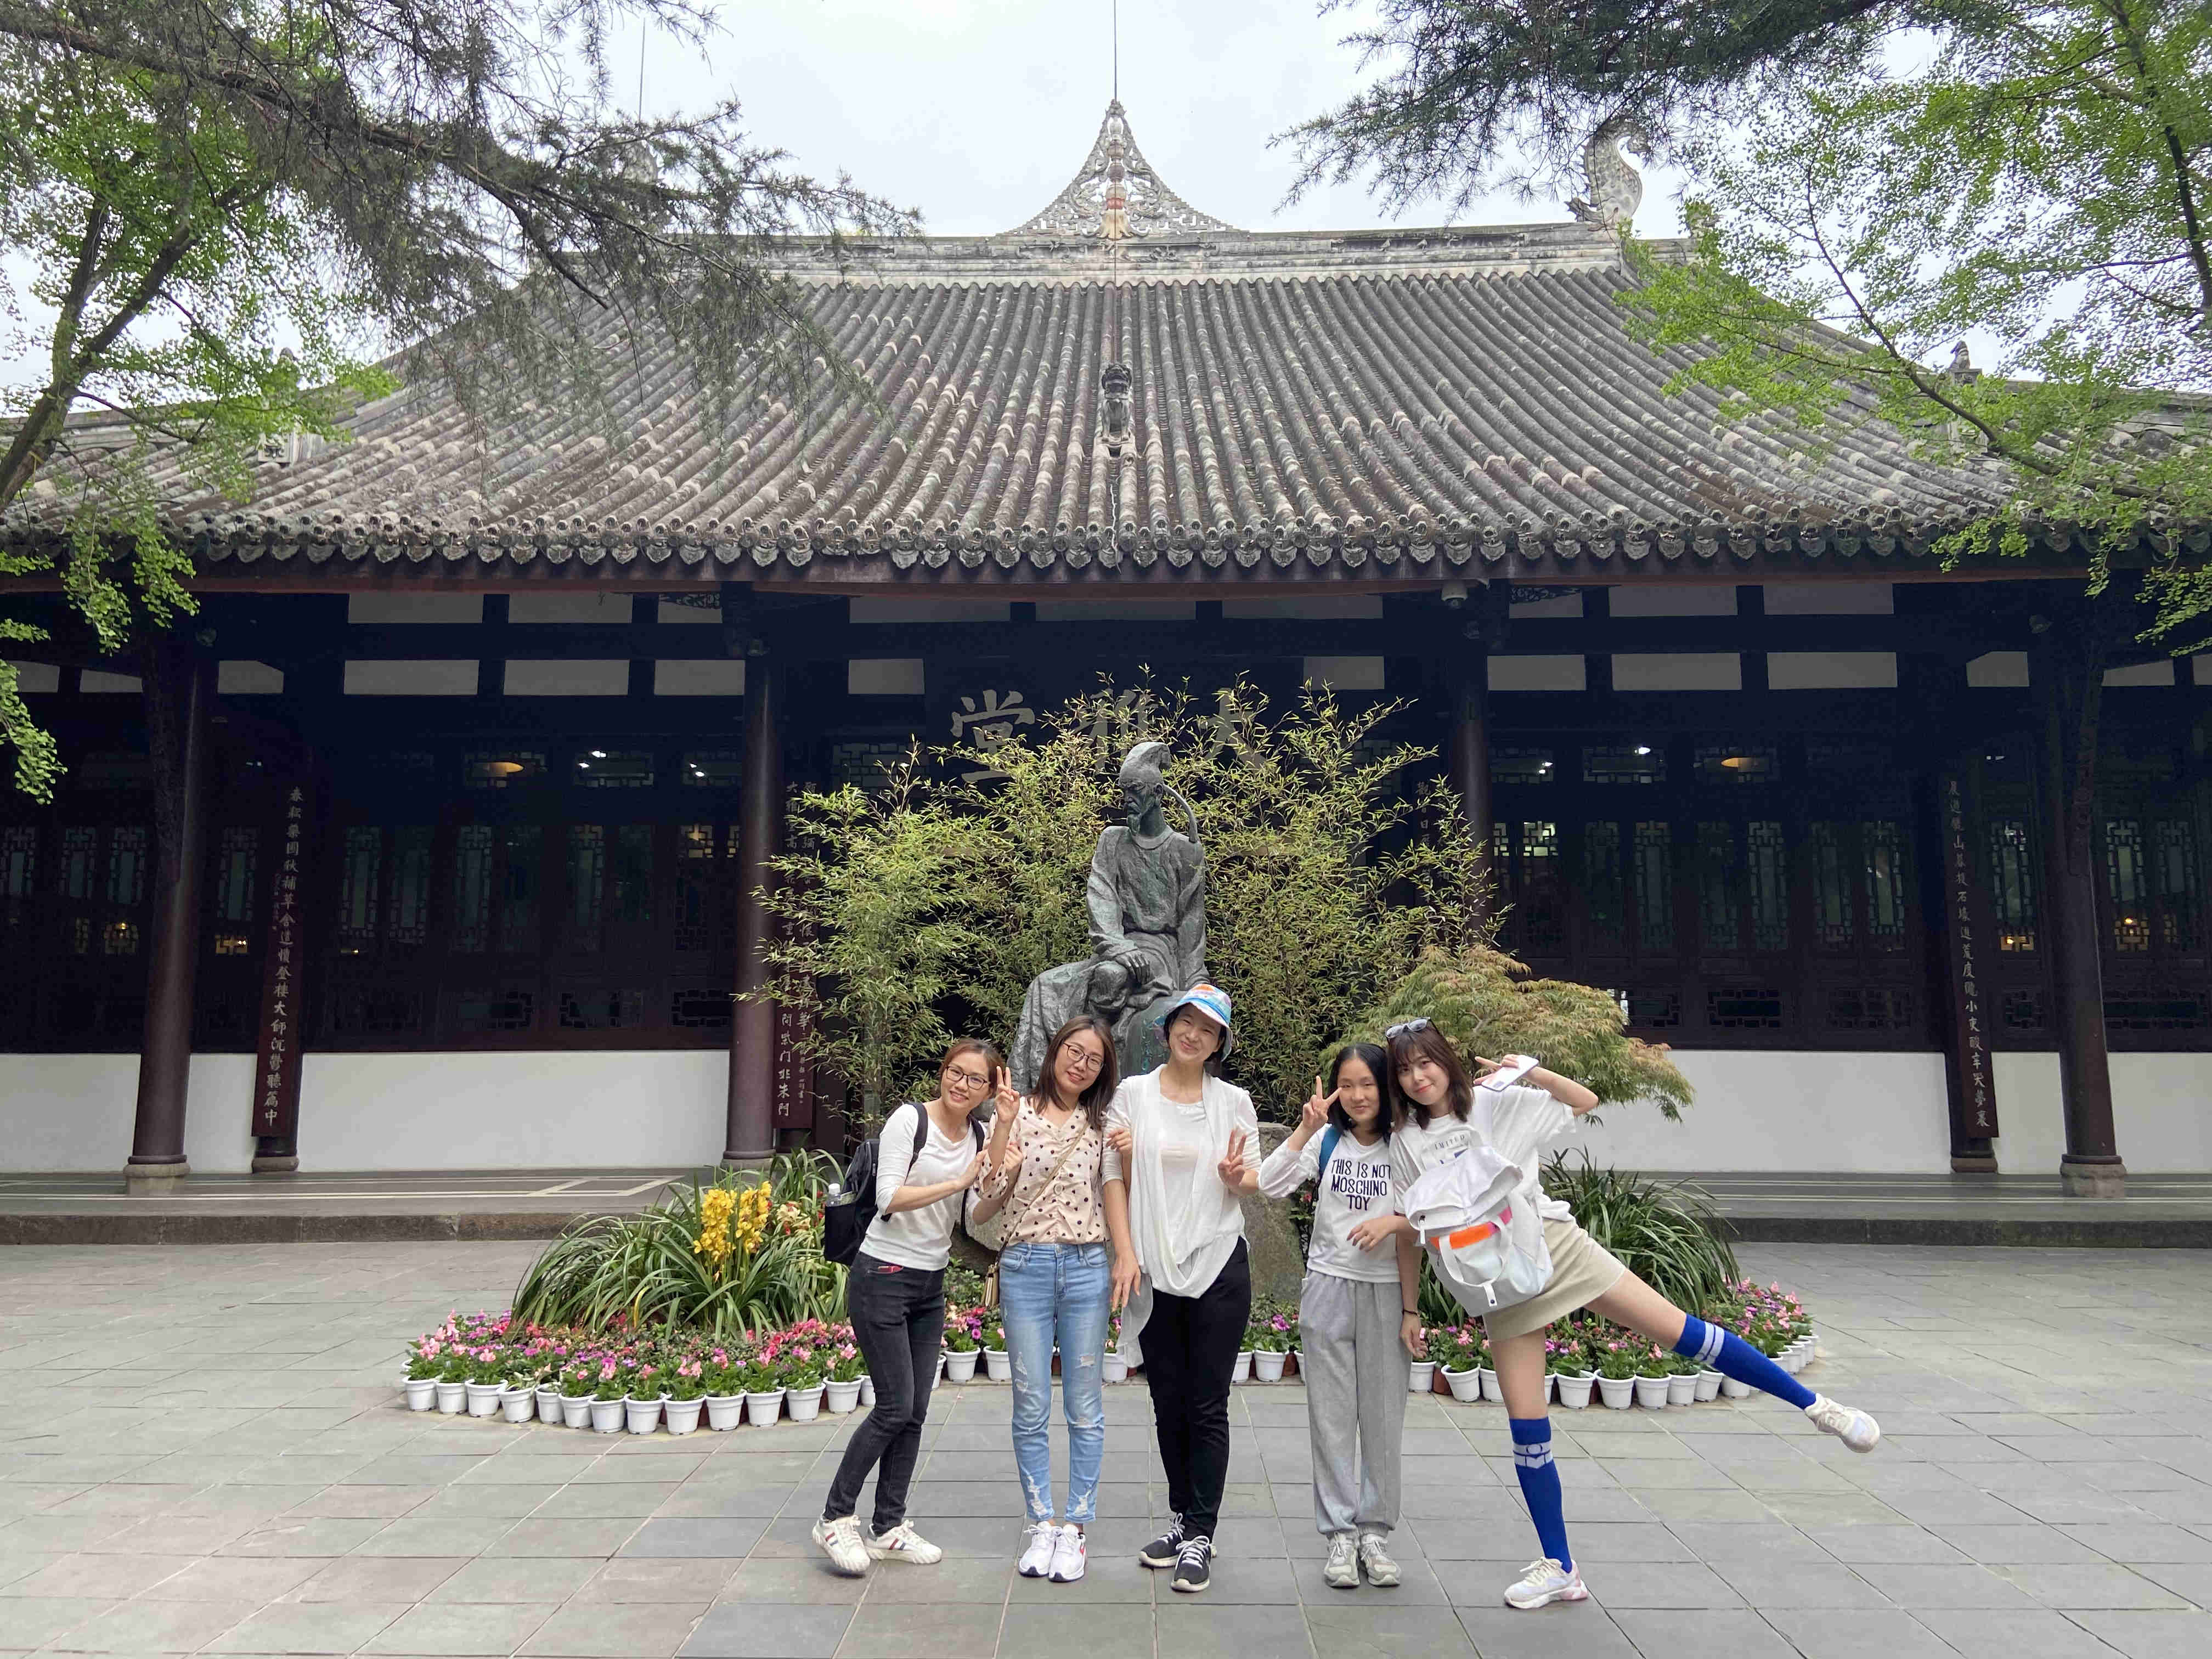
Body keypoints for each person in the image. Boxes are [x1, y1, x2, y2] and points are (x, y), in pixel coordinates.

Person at [1380, 1019, 1883, 1611]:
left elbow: (1584, 1100)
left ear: (1445, 1060)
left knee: (1681, 1332)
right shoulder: (1405, 1143)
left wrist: (1531, 1071)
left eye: (1425, 1063)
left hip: (1554, 1247)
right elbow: (1410, 1230)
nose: (1417, 1078)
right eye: (1405, 1070)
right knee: (1527, 1426)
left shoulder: (1497, 1103)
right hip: (1499, 1282)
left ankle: (1819, 1408)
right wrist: (1410, 1307)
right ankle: (1560, 1568)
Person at [812, 1040, 995, 1577]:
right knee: (894, 1407)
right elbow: (888, 1197)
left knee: (914, 1411)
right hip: (883, 1276)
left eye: (975, 1079)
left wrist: (996, 1157)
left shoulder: (980, 1134)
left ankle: (888, 1525)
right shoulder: (909, 1121)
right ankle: (834, 1518)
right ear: (943, 1072)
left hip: (930, 1283)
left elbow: (976, 1210)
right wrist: (957, 1182)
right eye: (955, 1072)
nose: (961, 1084)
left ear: (989, 1090)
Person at [1100, 982, 1258, 1595]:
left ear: (1219, 1044)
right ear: (1168, 1029)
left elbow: (1248, 1181)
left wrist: (1237, 1177)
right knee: (1167, 1400)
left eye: (1208, 1029)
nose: (1194, 1034)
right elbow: (1114, 1177)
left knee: (1207, 1402)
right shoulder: (1132, 1095)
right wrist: (1126, 1253)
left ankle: (1201, 1533)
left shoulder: (1235, 1102)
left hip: (1218, 1262)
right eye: (1186, 1023)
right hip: (1153, 1267)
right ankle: (1181, 1517)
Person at [970, 1014, 1132, 1585]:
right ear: (1055, 1051)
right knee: (1031, 1402)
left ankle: (1076, 1527)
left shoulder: (1103, 1124)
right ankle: (1042, 1522)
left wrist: (1131, 1156)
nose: (1080, 1064)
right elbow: (986, 1196)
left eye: (1094, 1059)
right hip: (1026, 1267)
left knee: (1085, 1406)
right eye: (1073, 1051)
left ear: (1103, 1070)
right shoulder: (1014, 1112)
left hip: (1087, 1267)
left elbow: (1121, 1194)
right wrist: (1001, 1129)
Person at [1256, 1042, 1424, 1590]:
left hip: (1385, 1293)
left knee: (1382, 1419)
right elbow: (1269, 1184)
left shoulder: (1406, 1146)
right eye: (1346, 1085)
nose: (1356, 1095)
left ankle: (1375, 1534)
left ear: (1386, 1087)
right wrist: (1305, 1129)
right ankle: (1340, 1536)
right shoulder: (1327, 1140)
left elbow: (1423, 1224)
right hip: (1328, 1287)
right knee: (1330, 1419)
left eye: (1367, 1084)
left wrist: (1410, 1308)